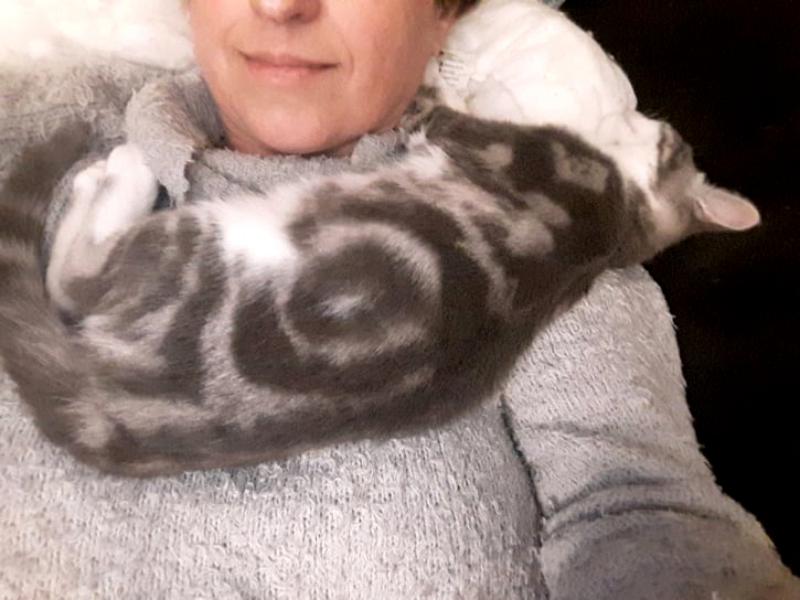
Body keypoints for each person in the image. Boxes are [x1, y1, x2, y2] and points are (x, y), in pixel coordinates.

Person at [0, 1, 797, 597]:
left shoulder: (549, 229)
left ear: (444, 14)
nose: (281, 6)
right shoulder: (42, 118)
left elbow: (638, 513)